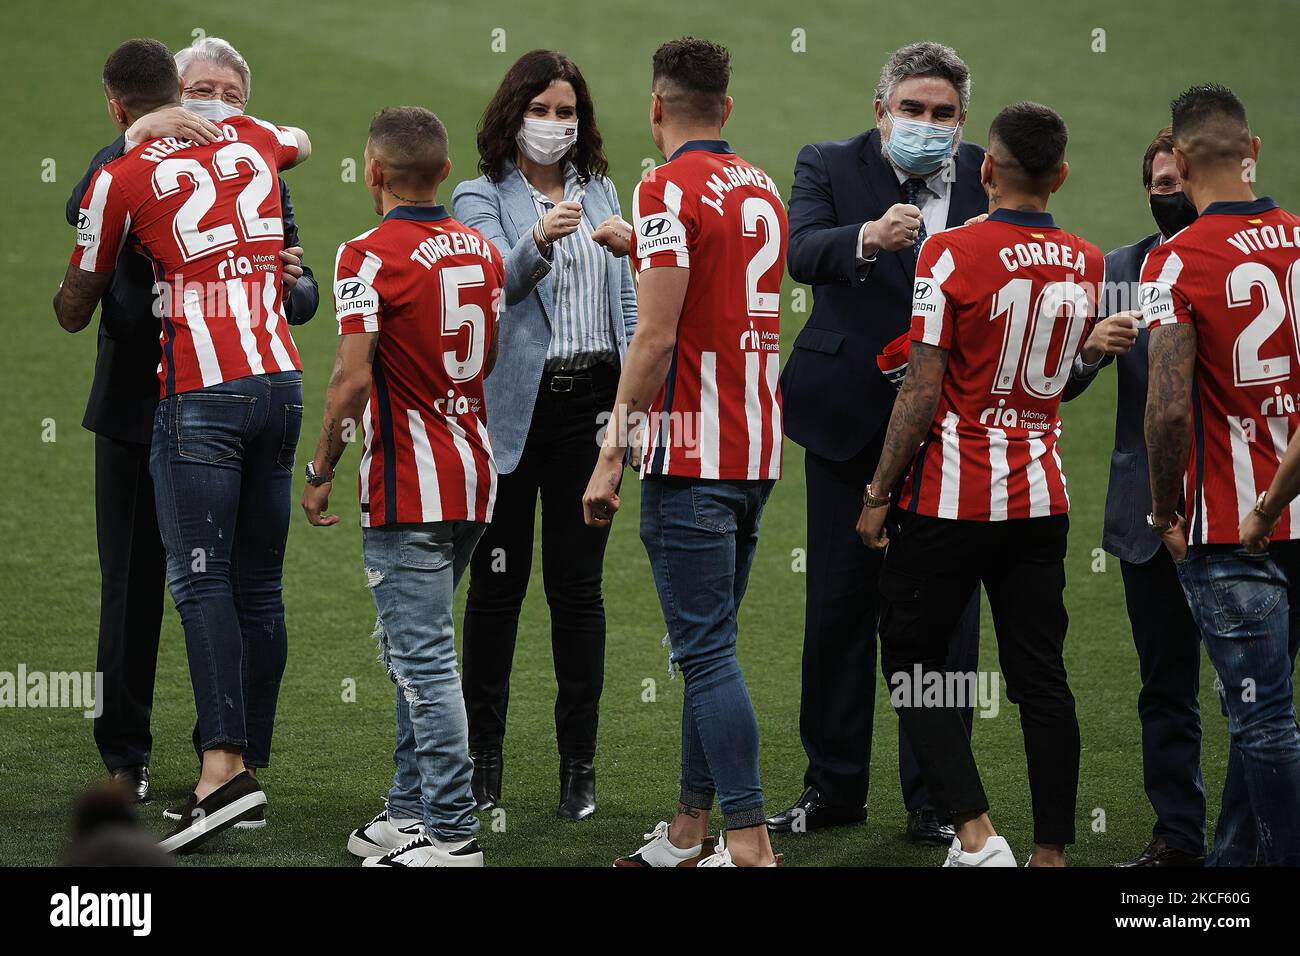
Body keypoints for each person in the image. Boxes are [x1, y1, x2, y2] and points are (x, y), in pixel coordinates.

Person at [55, 37, 310, 853]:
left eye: (225, 93)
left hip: (196, 397)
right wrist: (149, 131)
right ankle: (132, 758)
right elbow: (296, 140)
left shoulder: (221, 155)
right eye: (195, 91)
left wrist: (287, 275)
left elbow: (294, 280)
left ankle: (228, 760)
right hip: (182, 397)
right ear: (164, 93)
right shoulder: (145, 150)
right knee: (137, 589)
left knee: (222, 589)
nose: (210, 106)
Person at [858, 102, 1095, 867]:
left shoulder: (950, 253)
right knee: (1041, 677)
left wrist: (876, 495)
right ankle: (1052, 853)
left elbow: (921, 388)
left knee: (909, 654)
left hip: (953, 498)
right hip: (1040, 498)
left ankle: (975, 833)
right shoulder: (1088, 261)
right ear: (1059, 176)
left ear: (984, 169)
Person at [771, 40, 983, 846]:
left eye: (942, 114)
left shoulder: (983, 185)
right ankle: (831, 789)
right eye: (913, 110)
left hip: (947, 428)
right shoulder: (828, 162)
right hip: (845, 418)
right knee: (837, 607)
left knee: (942, 618)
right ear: (880, 109)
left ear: (962, 123)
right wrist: (868, 236)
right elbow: (799, 253)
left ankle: (936, 800)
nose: (926, 125)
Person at [584, 36, 786, 868]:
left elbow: (658, 335)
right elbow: (717, 285)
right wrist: (649, 247)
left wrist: (611, 449)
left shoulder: (666, 187)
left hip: (691, 453)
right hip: (757, 447)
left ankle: (748, 839)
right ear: (726, 110)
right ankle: (689, 830)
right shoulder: (761, 187)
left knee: (704, 654)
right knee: (716, 648)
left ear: (656, 107)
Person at [303, 106, 504, 869]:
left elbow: (353, 379)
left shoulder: (366, 255)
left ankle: (452, 834)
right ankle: (409, 809)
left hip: (409, 487)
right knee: (413, 649)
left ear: (373, 172)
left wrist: (322, 469)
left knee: (421, 660)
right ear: (445, 173)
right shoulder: (481, 250)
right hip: (475, 475)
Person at [452, 50, 636, 820]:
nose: (555, 126)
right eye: (541, 110)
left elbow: (631, 311)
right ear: (511, 115)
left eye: (567, 113)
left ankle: (579, 769)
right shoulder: (480, 194)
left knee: (578, 592)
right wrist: (541, 241)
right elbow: (486, 284)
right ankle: (481, 762)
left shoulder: (603, 190)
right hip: (510, 413)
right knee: (497, 591)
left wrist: (626, 427)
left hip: (590, 407)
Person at [1142, 84, 1300, 867]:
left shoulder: (1173, 262)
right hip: (1296, 509)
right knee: (1260, 712)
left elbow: (1167, 411)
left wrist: (1162, 510)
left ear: (1177, 153)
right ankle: (1233, 865)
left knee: (1264, 720)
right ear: (1253, 149)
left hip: (1233, 529)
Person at [1061, 127, 1207, 867]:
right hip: (1148, 518)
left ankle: (1257, 840)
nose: (1168, 193)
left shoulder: (1245, 262)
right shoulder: (1120, 269)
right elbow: (1057, 385)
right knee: (1165, 686)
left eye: (1180, 180)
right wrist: (1090, 349)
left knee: (1261, 691)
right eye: (1158, 182)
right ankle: (1178, 839)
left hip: (1241, 511)